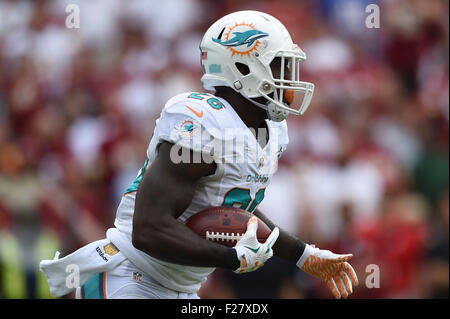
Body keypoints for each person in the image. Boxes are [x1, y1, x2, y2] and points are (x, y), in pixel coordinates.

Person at [40, 10, 358, 299]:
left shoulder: (271, 130)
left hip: (180, 288)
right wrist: (230, 259)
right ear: (243, 67)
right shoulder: (202, 125)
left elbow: (237, 209)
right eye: (278, 66)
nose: (288, 78)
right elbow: (148, 228)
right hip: (134, 280)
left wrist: (304, 255)